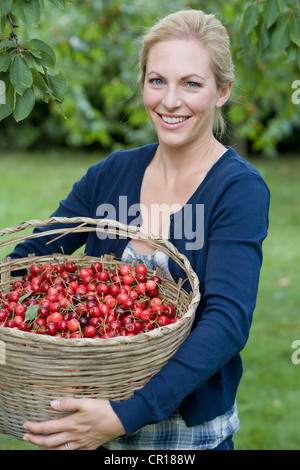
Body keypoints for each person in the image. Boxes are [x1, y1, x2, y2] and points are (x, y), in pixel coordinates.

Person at [12, 9, 270, 450]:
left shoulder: (237, 189)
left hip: (184, 438)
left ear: (222, 91)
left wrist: (124, 415)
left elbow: (225, 324)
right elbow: (28, 259)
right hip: (89, 424)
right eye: (157, 81)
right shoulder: (113, 173)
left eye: (191, 84)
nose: (170, 101)